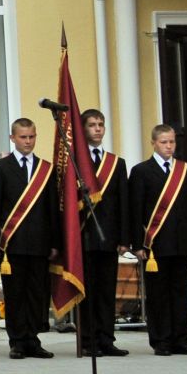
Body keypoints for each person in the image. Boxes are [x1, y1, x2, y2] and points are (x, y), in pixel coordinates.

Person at [130, 124, 187, 356]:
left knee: (181, 293)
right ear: (153, 142)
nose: (169, 146)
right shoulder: (141, 171)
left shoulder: (185, 170)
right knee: (158, 294)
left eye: (172, 142)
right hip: (155, 246)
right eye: (164, 142)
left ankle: (181, 339)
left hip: (182, 243)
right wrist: (137, 244)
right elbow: (135, 210)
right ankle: (161, 340)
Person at [0, 118, 55, 359]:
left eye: (32, 136)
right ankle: (17, 341)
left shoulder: (46, 169)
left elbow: (52, 209)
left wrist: (55, 243)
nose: (28, 141)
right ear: (13, 138)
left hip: (39, 242)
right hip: (11, 243)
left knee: (37, 293)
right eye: (23, 137)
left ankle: (33, 339)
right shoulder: (1, 168)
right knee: (15, 293)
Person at [76, 109, 130, 358]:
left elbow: (123, 202)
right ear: (83, 129)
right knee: (87, 292)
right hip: (83, 237)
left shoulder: (116, 163)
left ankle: (106, 339)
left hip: (108, 237)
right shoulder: (75, 162)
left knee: (106, 292)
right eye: (92, 125)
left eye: (101, 125)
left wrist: (124, 238)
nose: (97, 129)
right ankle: (88, 340)